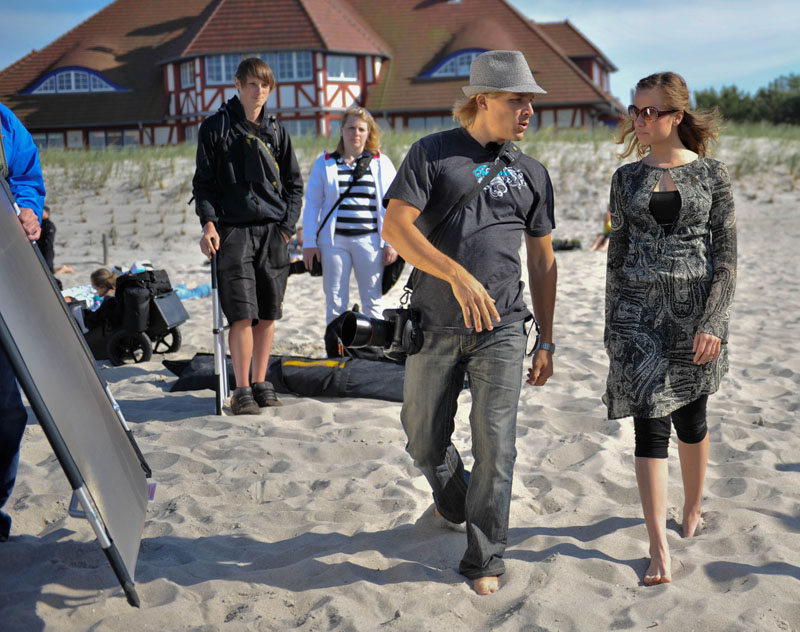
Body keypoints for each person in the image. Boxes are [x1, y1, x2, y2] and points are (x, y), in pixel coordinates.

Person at [382, 50, 557, 595]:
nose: (528, 110)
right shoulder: (432, 153)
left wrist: (545, 338)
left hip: (503, 329)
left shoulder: (532, 172)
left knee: (496, 447)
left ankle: (485, 559)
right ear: (483, 100)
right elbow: (395, 229)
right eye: (517, 100)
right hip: (433, 324)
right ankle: (455, 499)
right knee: (422, 440)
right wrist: (455, 273)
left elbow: (543, 261)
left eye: (531, 100)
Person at [603, 72, 737, 585]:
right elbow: (616, 258)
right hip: (638, 318)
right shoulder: (626, 180)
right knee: (649, 429)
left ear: (677, 116)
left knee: (692, 421)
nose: (641, 120)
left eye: (651, 112)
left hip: (696, 321)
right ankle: (658, 547)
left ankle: (694, 507)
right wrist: (613, 328)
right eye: (635, 111)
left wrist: (714, 323)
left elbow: (726, 260)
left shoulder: (712, 176)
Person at [193, 57, 303, 415]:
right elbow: (204, 185)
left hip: (273, 232)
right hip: (233, 232)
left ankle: (260, 382)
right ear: (238, 86)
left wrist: (286, 230)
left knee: (268, 315)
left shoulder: (277, 130)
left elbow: (294, 186)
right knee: (241, 315)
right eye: (252, 84)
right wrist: (208, 224)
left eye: (265, 85)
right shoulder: (215, 128)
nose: (259, 91)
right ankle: (241, 389)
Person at [301, 106, 398, 324]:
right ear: (342, 130)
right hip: (334, 242)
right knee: (335, 301)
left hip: (370, 240)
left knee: (372, 299)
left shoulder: (380, 163)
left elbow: (391, 206)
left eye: (362, 129)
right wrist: (309, 242)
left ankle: (374, 354)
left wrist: (391, 242)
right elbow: (312, 205)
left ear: (369, 132)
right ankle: (335, 351)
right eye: (351, 128)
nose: (356, 134)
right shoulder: (325, 163)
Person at [0, 102, 46, 542]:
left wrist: (28, 211)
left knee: (8, 413)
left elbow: (28, 179)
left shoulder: (4, 121)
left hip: (4, 284)